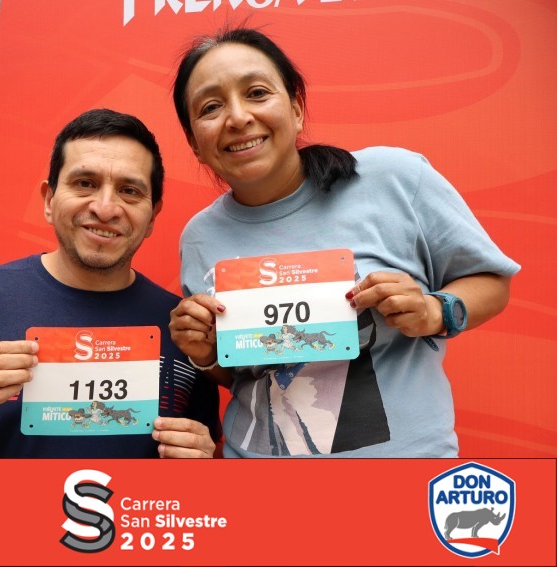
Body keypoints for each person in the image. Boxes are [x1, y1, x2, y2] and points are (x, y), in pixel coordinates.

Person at [167, 26, 520, 457]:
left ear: (296, 109)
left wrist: (433, 310)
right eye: (211, 107)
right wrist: (205, 354)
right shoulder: (200, 237)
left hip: (404, 476)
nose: (238, 118)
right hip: (260, 482)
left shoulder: (394, 178)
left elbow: (492, 282)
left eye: (257, 93)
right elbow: (242, 372)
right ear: (195, 143)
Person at [0, 108, 220, 458]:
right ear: (48, 199)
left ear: (152, 217)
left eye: (129, 190)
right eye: (85, 183)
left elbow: (210, 450)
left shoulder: (182, 329)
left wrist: (203, 463)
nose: (105, 208)